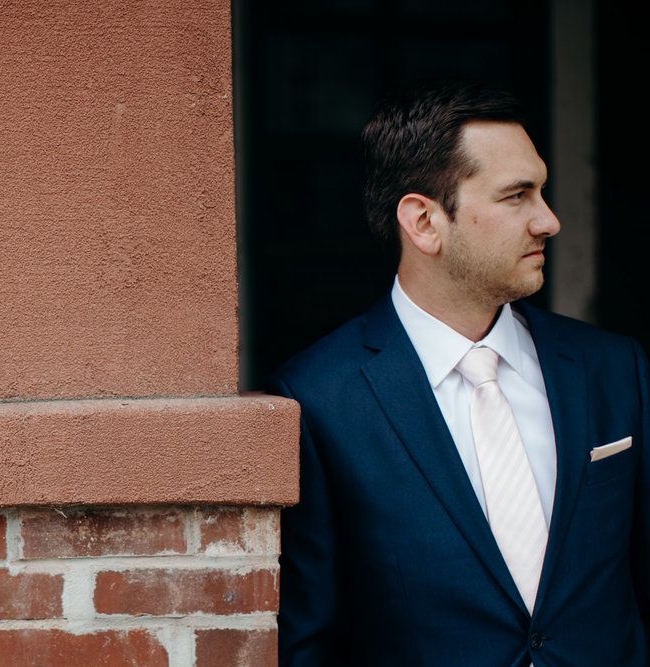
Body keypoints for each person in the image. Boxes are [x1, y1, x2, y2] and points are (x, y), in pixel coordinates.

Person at [269, 80, 650, 666]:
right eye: (516, 196)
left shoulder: (613, 368)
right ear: (423, 222)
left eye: (541, 191)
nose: (548, 220)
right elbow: (310, 640)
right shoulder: (320, 399)